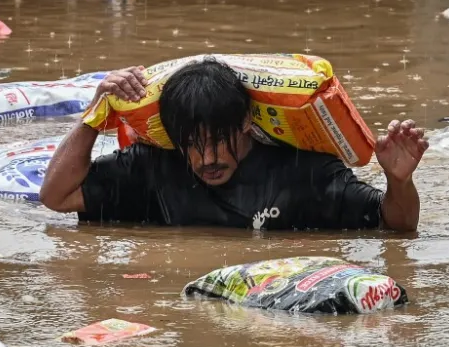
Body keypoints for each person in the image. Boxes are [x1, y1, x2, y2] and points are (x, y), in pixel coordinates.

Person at [40, 58, 428, 232]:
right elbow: (57, 196)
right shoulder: (151, 167)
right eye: (192, 144)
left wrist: (398, 181)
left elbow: (397, 226)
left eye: (216, 141)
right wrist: (95, 113)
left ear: (246, 123)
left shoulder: (303, 173)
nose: (207, 158)